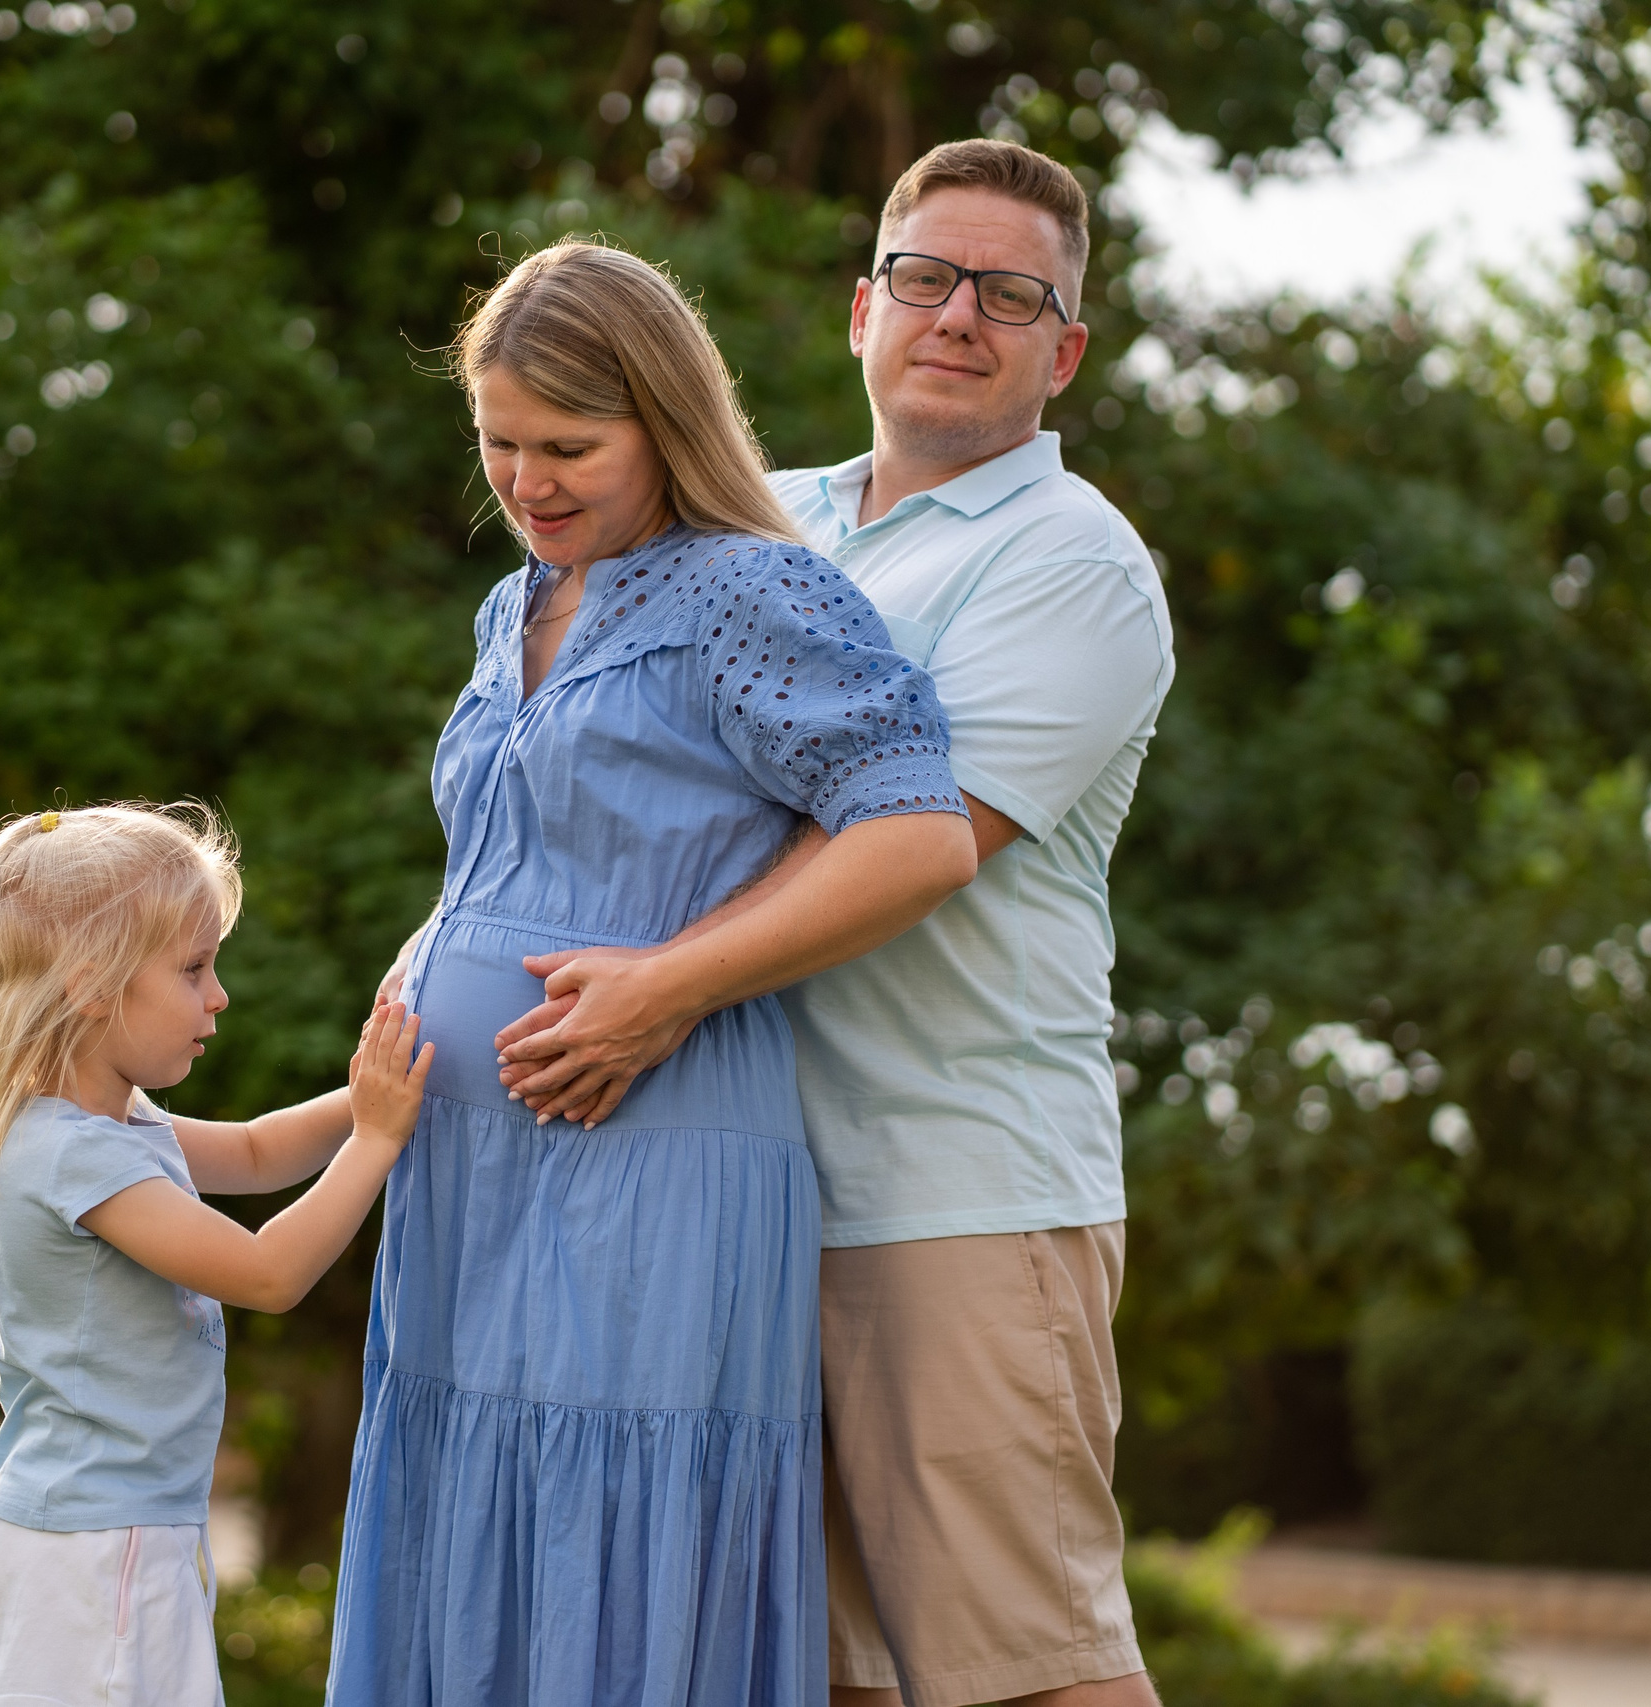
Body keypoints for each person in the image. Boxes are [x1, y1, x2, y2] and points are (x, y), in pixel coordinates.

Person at [492, 142, 1176, 1707]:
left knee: (1027, 1668)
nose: (961, 314)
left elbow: (914, 841)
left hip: (951, 1185)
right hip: (733, 1190)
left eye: (1013, 296)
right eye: (927, 277)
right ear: (864, 309)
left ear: (1066, 352)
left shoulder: (1074, 563)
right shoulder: (763, 521)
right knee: (816, 1671)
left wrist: (661, 983)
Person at [328, 242, 977, 1707]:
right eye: (500, 443)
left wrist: (669, 985)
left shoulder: (753, 591)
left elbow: (916, 834)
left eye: (569, 447)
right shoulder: (517, 603)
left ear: (665, 421)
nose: (528, 482)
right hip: (466, 1173)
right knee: (464, 1523)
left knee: (607, 1538)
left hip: (644, 1153)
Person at [0, 802, 432, 1707]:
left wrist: (373, 1092)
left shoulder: (115, 1123)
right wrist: (377, 1140)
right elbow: (268, 1273)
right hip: (97, 1545)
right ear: (93, 986)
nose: (218, 994)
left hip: (118, 1528)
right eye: (193, 967)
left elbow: (257, 1152)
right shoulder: (72, 1153)